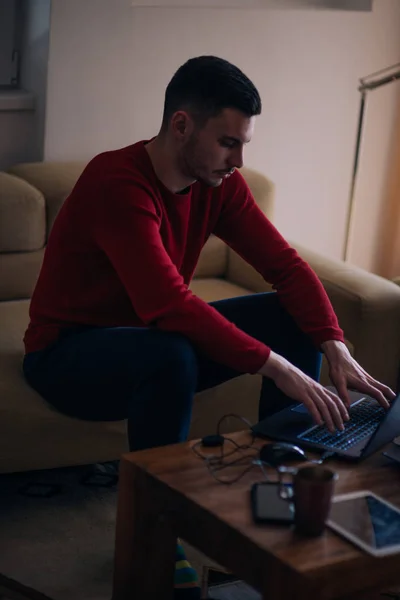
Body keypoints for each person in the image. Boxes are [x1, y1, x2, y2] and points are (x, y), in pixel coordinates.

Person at [22, 56, 395, 599]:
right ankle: (156, 525)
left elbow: (285, 267)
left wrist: (332, 343)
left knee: (284, 313)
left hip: (153, 340)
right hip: (68, 355)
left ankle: (281, 480)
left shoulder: (218, 184)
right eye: (228, 143)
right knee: (170, 351)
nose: (239, 160)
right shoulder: (116, 182)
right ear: (181, 125)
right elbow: (167, 304)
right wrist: (278, 367)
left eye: (244, 144)